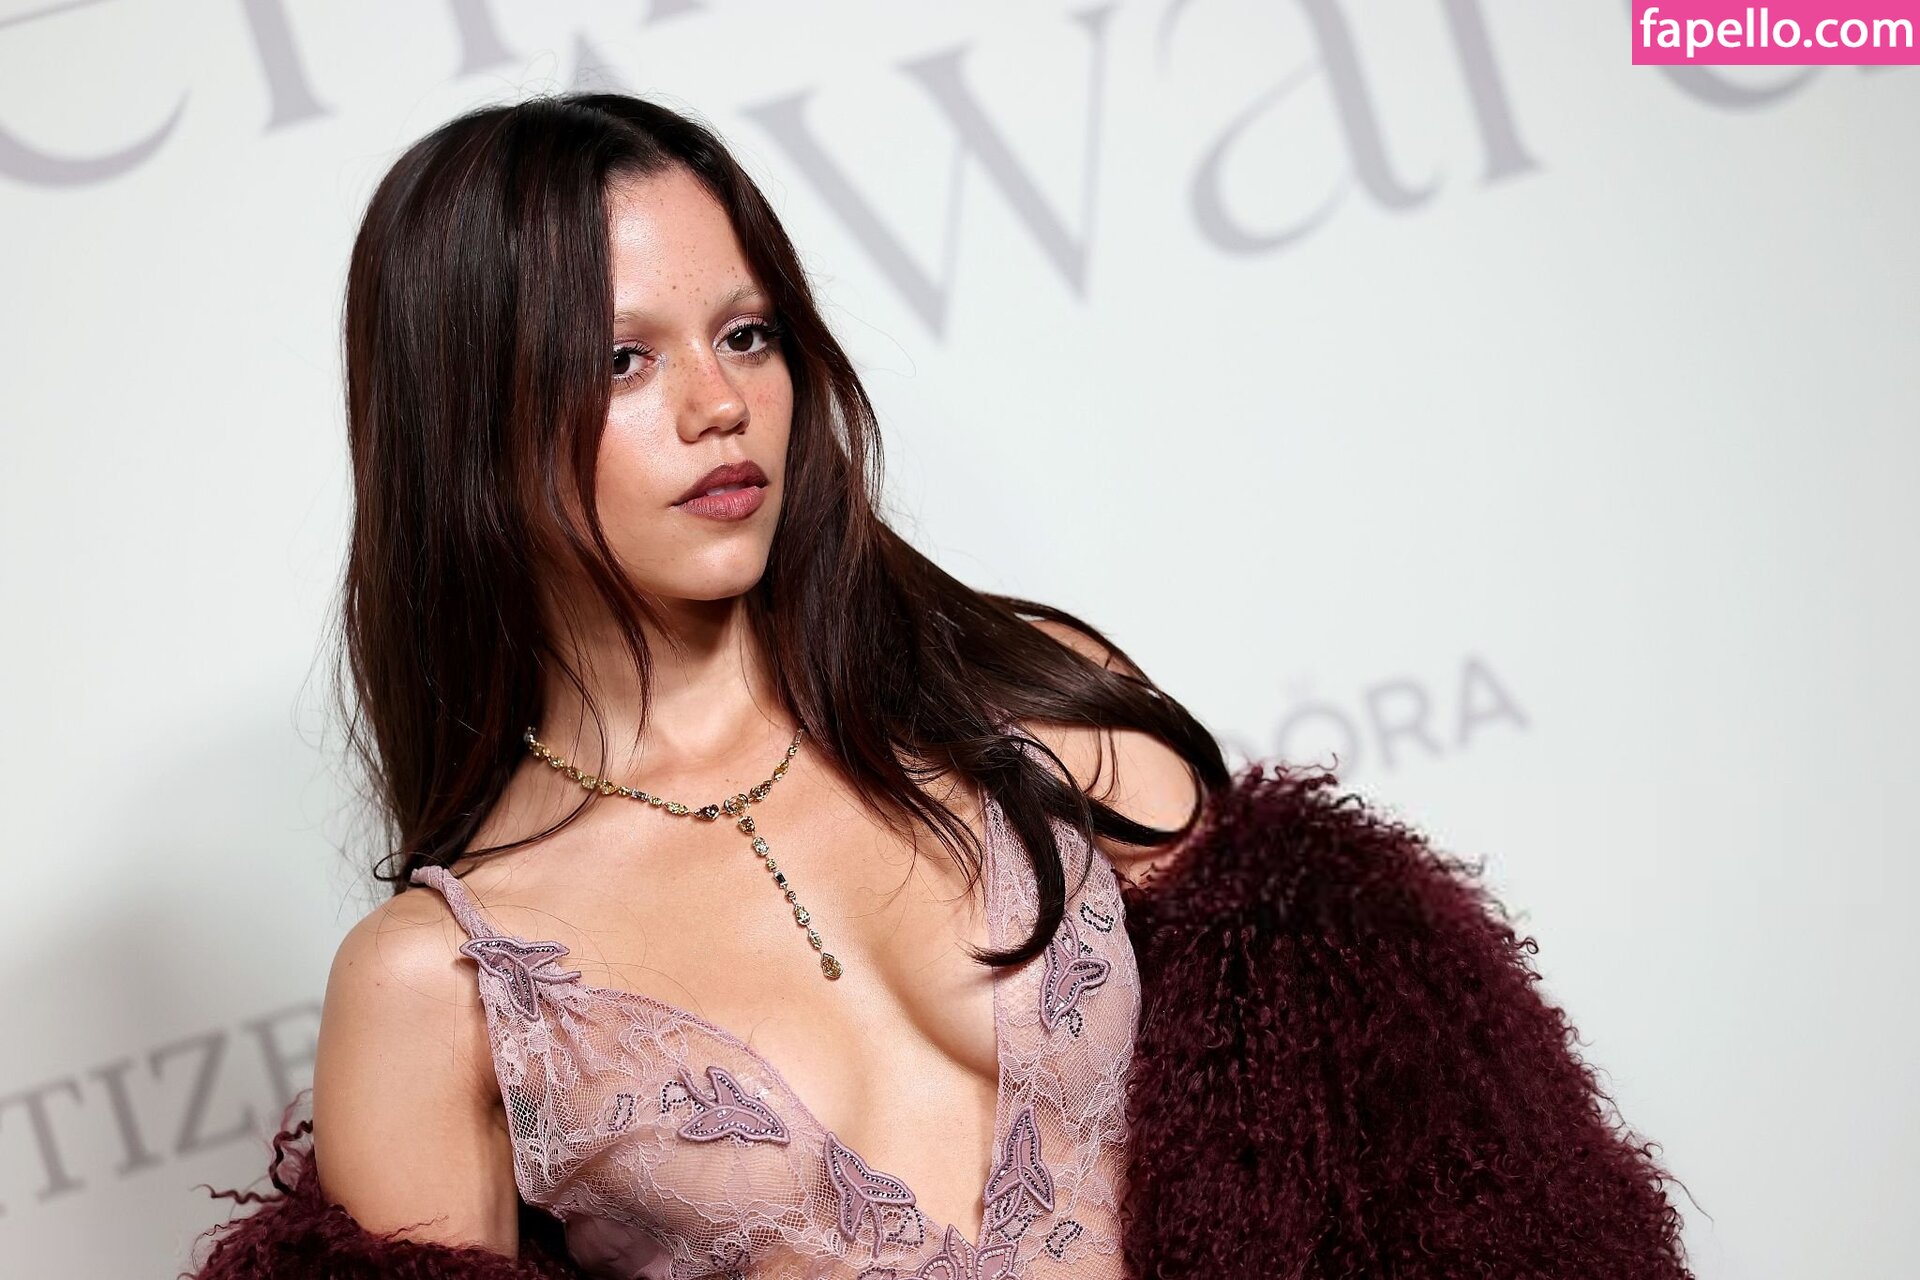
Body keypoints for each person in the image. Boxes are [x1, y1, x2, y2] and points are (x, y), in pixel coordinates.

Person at [185, 92, 1693, 1280]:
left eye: (747, 334)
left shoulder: (1036, 712)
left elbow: (1415, 1168)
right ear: (466, 420)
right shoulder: (441, 986)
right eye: (620, 360)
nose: (720, 404)